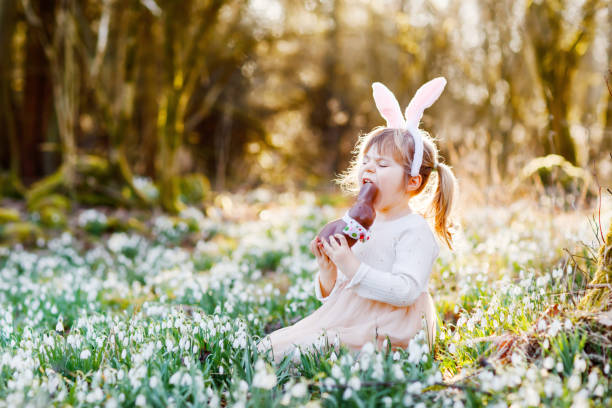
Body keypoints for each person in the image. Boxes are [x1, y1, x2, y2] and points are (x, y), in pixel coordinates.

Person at [259, 78, 459, 363]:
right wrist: (329, 270)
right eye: (366, 161)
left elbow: (405, 291)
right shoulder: (360, 222)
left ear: (412, 181)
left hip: (393, 328)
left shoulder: (414, 230)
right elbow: (343, 293)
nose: (368, 168)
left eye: (382, 164)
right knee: (270, 347)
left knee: (304, 352)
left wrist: (351, 266)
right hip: (354, 316)